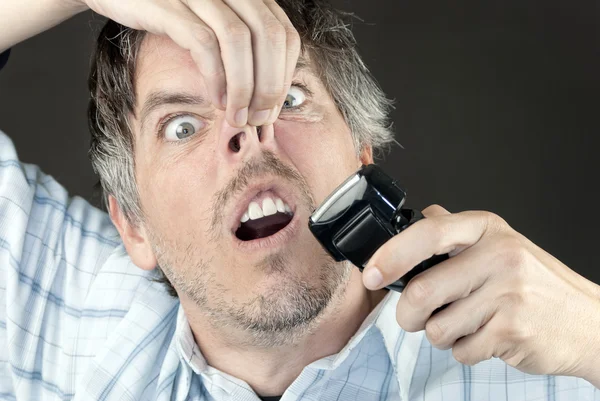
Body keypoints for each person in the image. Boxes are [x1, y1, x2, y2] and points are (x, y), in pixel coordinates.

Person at [0, 0, 599, 400]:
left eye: (287, 97)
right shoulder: (60, 305)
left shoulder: (546, 365)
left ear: (361, 154)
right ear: (133, 225)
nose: (249, 131)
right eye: (182, 125)